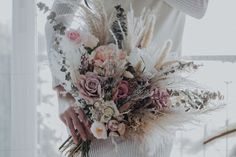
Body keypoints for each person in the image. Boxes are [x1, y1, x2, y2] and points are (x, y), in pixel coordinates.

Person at [45, 0, 209, 156]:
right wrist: (63, 93)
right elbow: (56, 21)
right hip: (93, 102)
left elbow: (198, 6)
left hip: (151, 108)